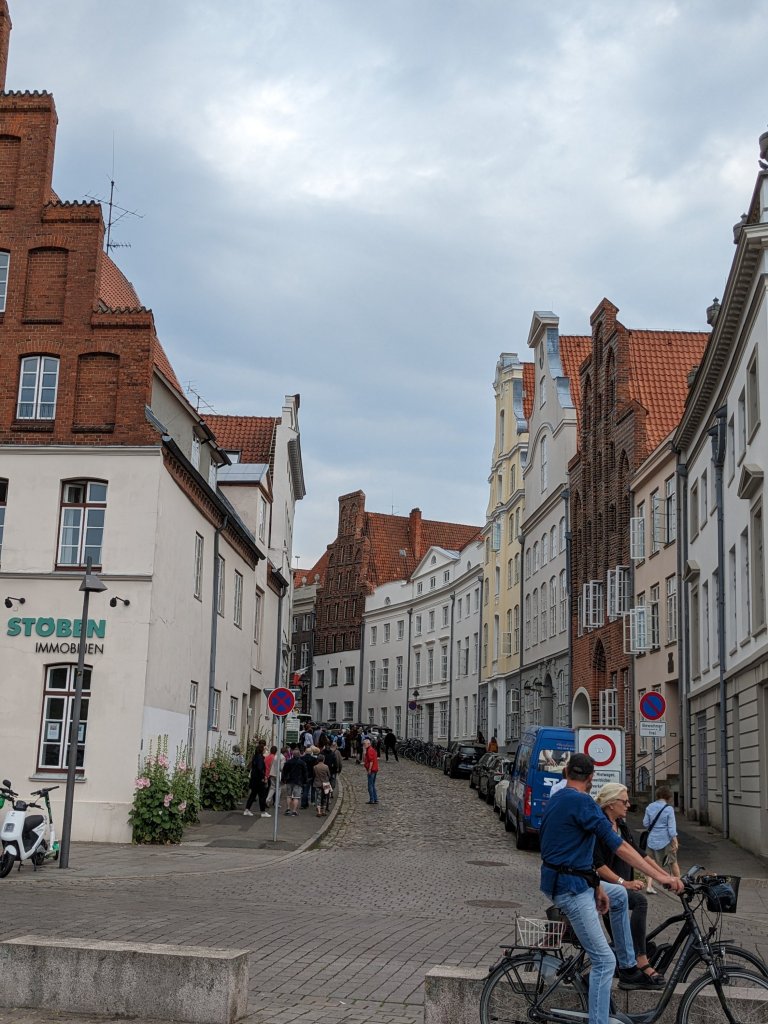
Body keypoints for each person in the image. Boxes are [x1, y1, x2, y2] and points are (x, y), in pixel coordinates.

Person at [539, 753, 683, 1024]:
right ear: (591, 777)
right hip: (571, 888)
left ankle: (628, 964)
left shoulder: (557, 798)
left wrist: (597, 886)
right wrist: (662, 878)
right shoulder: (583, 802)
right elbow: (620, 847)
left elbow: (571, 852)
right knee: (604, 961)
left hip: (569, 881)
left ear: (567, 772)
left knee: (619, 896)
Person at [593, 782, 664, 984]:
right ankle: (641, 960)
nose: (628, 805)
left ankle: (633, 957)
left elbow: (639, 854)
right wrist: (624, 883)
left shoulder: (621, 825)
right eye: (624, 802)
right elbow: (598, 865)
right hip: (606, 890)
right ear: (610, 803)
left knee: (624, 945)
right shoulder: (600, 827)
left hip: (621, 888)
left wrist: (666, 876)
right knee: (640, 901)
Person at [643, 785, 680, 884]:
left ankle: (649, 886)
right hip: (666, 840)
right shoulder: (669, 809)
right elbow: (672, 829)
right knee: (673, 862)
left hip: (652, 839)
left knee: (650, 863)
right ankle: (678, 883)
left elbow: (645, 823)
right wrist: (675, 842)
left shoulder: (649, 807)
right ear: (669, 796)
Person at [243, 742, 270, 818]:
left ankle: (247, 810)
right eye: (264, 749)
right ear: (261, 750)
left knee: (253, 795)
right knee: (262, 796)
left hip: (254, 779)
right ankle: (263, 812)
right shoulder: (260, 758)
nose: (265, 750)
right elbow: (260, 769)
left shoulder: (255, 757)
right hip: (259, 780)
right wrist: (263, 777)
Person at [281, 745, 308, 816]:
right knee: (296, 796)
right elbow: (305, 773)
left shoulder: (288, 762)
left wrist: (283, 779)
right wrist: (305, 781)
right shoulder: (302, 763)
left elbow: (284, 771)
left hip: (289, 780)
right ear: (299, 754)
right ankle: (294, 811)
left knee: (289, 795)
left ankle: (288, 809)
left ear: (293, 754)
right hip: (298, 781)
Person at [363, 737, 379, 804]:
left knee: (370, 786)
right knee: (372, 785)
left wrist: (369, 769)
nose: (364, 745)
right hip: (374, 769)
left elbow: (371, 761)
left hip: (372, 770)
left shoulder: (369, 750)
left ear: (369, 744)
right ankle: (375, 799)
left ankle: (372, 799)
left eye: (365, 744)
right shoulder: (371, 749)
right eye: (364, 744)